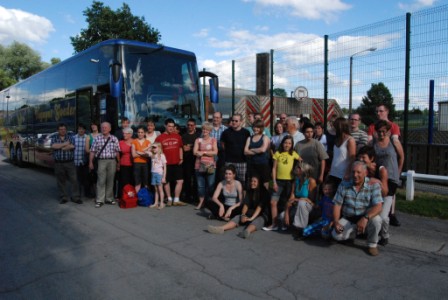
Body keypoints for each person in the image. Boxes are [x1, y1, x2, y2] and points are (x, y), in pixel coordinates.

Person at [331, 161, 383, 256]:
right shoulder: (344, 184)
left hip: (366, 218)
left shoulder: (373, 185)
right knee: (336, 235)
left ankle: (372, 244)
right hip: (349, 218)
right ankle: (353, 234)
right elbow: (337, 205)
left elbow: (378, 206)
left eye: (358, 172)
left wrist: (365, 218)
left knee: (377, 220)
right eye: (353, 172)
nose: (355, 175)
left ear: (365, 173)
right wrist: (336, 222)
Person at [263, 135, 300, 231]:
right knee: (273, 202)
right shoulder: (277, 153)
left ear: (292, 145)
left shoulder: (294, 154)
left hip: (289, 182)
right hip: (278, 181)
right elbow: (274, 168)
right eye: (285, 143)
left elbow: (301, 162)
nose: (287, 145)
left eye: (289, 143)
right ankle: (274, 224)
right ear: (282, 143)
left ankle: (284, 224)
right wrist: (274, 182)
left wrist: (298, 172)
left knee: (285, 203)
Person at [372, 120, 405, 228]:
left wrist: (398, 172)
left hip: (391, 178)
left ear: (388, 131)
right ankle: (380, 233)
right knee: (376, 205)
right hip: (379, 177)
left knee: (384, 209)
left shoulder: (393, 142)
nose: (381, 134)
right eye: (379, 131)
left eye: (383, 131)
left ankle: (382, 231)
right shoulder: (374, 143)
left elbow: (401, 157)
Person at [358, 145, 390, 245]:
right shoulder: (361, 168)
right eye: (360, 157)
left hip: (384, 196)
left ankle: (385, 235)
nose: (360, 159)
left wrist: (377, 181)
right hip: (370, 195)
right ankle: (364, 231)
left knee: (383, 217)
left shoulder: (381, 170)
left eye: (364, 157)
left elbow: (385, 192)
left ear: (371, 158)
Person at [155, 118, 186, 206]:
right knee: (166, 181)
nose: (171, 128)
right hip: (166, 164)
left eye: (172, 126)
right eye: (169, 126)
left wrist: (181, 158)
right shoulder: (159, 138)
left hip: (177, 162)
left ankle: (176, 199)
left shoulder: (177, 136)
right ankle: (169, 198)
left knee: (180, 181)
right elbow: (155, 150)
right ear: (165, 126)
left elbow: (180, 147)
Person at [89, 122, 121, 208]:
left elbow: (117, 152)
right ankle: (100, 200)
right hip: (101, 161)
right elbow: (92, 151)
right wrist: (90, 162)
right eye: (102, 127)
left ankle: (109, 198)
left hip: (112, 161)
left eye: (106, 127)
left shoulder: (114, 138)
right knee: (101, 180)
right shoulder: (97, 139)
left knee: (110, 180)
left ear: (110, 129)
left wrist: (118, 163)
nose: (104, 129)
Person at [283, 161, 317, 238]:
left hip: (309, 207)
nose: (296, 168)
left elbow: (311, 200)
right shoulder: (296, 181)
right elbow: (291, 199)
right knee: (282, 216)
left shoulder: (311, 181)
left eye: (298, 167)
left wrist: (297, 199)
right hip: (297, 205)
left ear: (303, 170)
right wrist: (286, 213)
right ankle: (298, 224)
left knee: (302, 202)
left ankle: (301, 230)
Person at [51, 123, 81, 204]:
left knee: (74, 180)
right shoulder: (54, 138)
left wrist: (61, 147)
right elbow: (53, 146)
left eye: (64, 129)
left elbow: (72, 146)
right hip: (58, 163)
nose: (63, 131)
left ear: (66, 130)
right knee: (61, 181)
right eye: (61, 129)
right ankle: (63, 197)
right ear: (58, 130)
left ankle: (75, 197)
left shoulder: (70, 137)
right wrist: (65, 144)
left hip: (70, 163)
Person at [220, 114, 251, 188]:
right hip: (229, 161)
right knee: (228, 181)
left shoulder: (246, 132)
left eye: (236, 121)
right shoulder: (226, 132)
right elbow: (223, 145)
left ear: (241, 122)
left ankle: (241, 199)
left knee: (242, 183)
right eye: (232, 120)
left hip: (242, 161)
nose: (234, 122)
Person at [193, 122, 218, 210]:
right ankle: (201, 202)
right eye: (203, 129)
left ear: (210, 131)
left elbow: (215, 152)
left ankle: (209, 202)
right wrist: (208, 154)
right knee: (200, 186)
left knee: (210, 185)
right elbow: (195, 152)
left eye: (207, 129)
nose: (205, 131)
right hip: (199, 165)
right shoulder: (198, 140)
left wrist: (203, 153)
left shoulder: (213, 140)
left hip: (210, 165)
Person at [327, 117, 356, 187]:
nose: (334, 128)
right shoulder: (337, 139)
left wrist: (348, 172)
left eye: (335, 126)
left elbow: (352, 158)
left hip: (343, 174)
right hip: (333, 172)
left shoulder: (350, 140)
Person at [244, 119, 271, 189]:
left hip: (263, 164)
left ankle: (265, 199)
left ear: (261, 128)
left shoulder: (265, 137)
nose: (256, 129)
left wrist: (252, 149)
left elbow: (263, 149)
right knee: (253, 184)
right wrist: (258, 150)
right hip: (252, 164)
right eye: (254, 127)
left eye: (258, 127)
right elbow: (245, 151)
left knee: (265, 184)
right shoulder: (249, 138)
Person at [182, 118, 201, 203]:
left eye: (191, 125)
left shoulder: (198, 136)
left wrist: (190, 146)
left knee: (197, 179)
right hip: (187, 160)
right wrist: (193, 146)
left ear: (195, 126)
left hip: (197, 160)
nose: (189, 126)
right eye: (188, 125)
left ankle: (196, 197)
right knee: (188, 179)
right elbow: (184, 148)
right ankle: (188, 196)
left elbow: (199, 148)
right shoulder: (184, 136)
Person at [73, 123, 91, 199]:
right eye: (79, 129)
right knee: (77, 179)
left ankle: (87, 194)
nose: (81, 130)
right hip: (76, 161)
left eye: (82, 129)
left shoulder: (87, 137)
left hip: (85, 161)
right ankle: (77, 195)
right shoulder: (73, 138)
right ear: (77, 130)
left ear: (85, 130)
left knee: (86, 179)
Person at [147, 142, 166, 209]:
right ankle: (156, 203)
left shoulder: (162, 155)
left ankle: (161, 203)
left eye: (155, 147)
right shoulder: (152, 155)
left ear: (159, 148)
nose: (153, 149)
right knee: (155, 189)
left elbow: (165, 167)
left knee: (160, 189)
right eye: (153, 147)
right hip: (153, 173)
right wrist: (150, 146)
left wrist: (164, 177)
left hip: (159, 173)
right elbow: (144, 151)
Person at [131, 126, 150, 193]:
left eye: (142, 132)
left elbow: (148, 155)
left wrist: (138, 152)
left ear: (144, 133)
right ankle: (137, 197)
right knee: (137, 181)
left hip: (145, 163)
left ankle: (146, 197)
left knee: (146, 181)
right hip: (137, 163)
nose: (140, 134)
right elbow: (133, 155)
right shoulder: (134, 141)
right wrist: (143, 153)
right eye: (139, 132)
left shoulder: (148, 142)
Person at [211, 111, 227, 182]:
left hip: (222, 153)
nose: (215, 119)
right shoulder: (208, 128)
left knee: (221, 172)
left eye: (217, 117)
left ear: (221, 119)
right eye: (214, 117)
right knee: (211, 172)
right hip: (210, 153)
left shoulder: (226, 129)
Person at [118, 127, 134, 197]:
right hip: (123, 164)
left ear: (130, 134)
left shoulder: (135, 141)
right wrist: (118, 164)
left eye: (126, 134)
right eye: (123, 133)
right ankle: (123, 196)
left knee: (132, 181)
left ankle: (132, 195)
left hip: (133, 164)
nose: (124, 135)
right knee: (123, 181)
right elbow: (117, 154)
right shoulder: (120, 142)